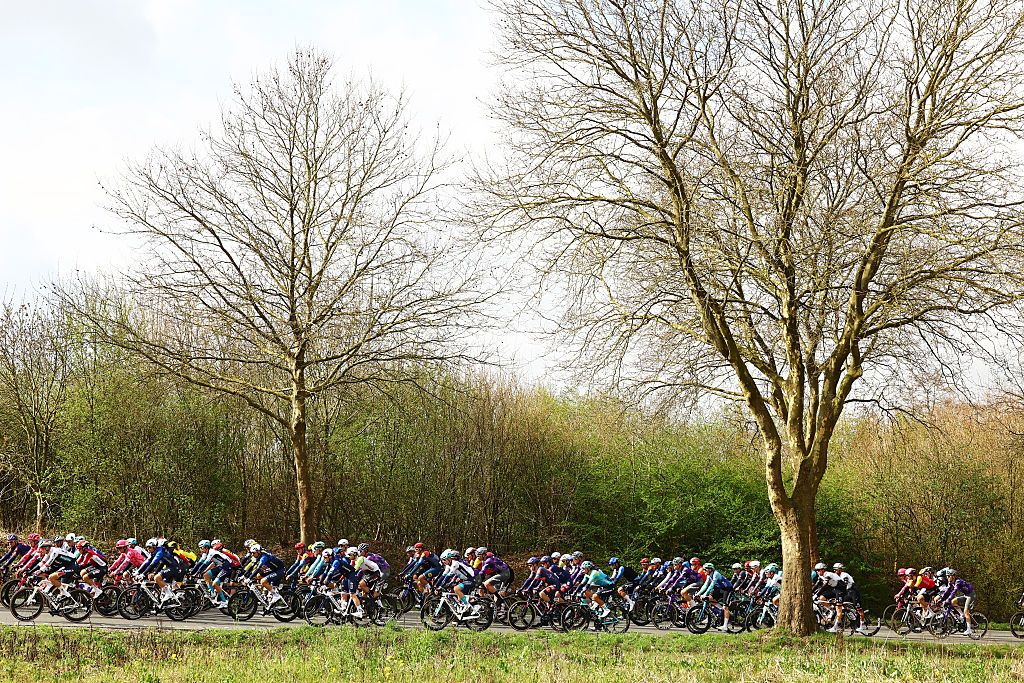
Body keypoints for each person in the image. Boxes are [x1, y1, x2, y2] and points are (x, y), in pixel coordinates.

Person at [693, 562, 733, 631]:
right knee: (709, 599)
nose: (704, 571)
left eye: (705, 569)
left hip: (727, 589)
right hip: (720, 589)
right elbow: (705, 585)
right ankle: (720, 610)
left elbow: (711, 586)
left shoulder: (716, 574)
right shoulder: (709, 575)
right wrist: (698, 594)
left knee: (725, 607)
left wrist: (705, 594)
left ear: (710, 569)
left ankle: (725, 626)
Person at [937, 568, 976, 636]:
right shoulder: (950, 582)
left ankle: (969, 630)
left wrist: (948, 599)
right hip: (965, 595)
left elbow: (954, 591)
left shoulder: (958, 581)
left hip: (971, 595)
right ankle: (961, 614)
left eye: (948, 576)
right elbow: (947, 592)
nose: (947, 577)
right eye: (947, 576)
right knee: (953, 602)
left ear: (953, 576)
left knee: (966, 611)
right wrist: (942, 599)